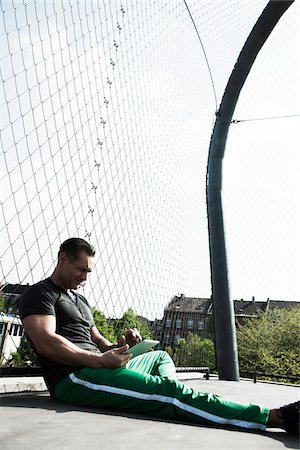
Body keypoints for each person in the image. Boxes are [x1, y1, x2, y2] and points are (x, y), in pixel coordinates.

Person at [19, 238, 299, 435]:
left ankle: (166, 397)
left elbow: (100, 342)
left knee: (160, 357)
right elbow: (46, 342)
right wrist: (98, 360)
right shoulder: (40, 294)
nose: (85, 276)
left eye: (89, 271)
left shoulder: (80, 301)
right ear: (63, 259)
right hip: (75, 378)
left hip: (96, 366)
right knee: (172, 392)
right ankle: (276, 416)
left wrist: (122, 346)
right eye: (81, 269)